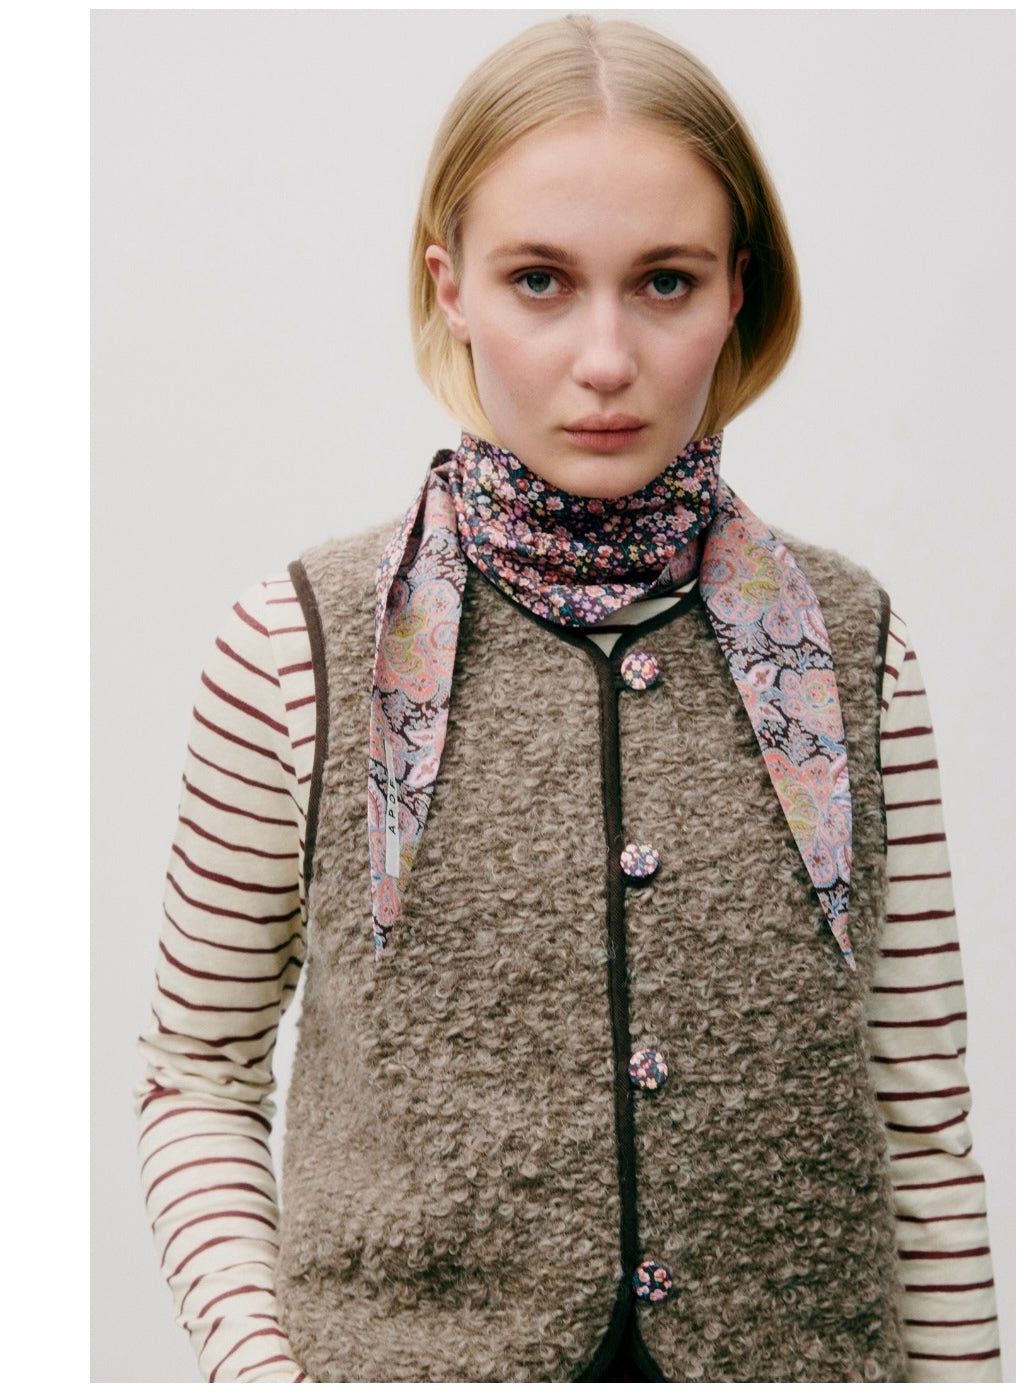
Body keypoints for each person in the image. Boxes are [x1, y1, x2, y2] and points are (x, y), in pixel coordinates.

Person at [132, 17, 999, 1382]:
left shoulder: (853, 643)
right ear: (453, 287)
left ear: (737, 294)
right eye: (540, 280)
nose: (606, 358)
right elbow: (194, 1075)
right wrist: (265, 1374)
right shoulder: (299, 644)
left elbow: (922, 1125)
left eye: (664, 282)